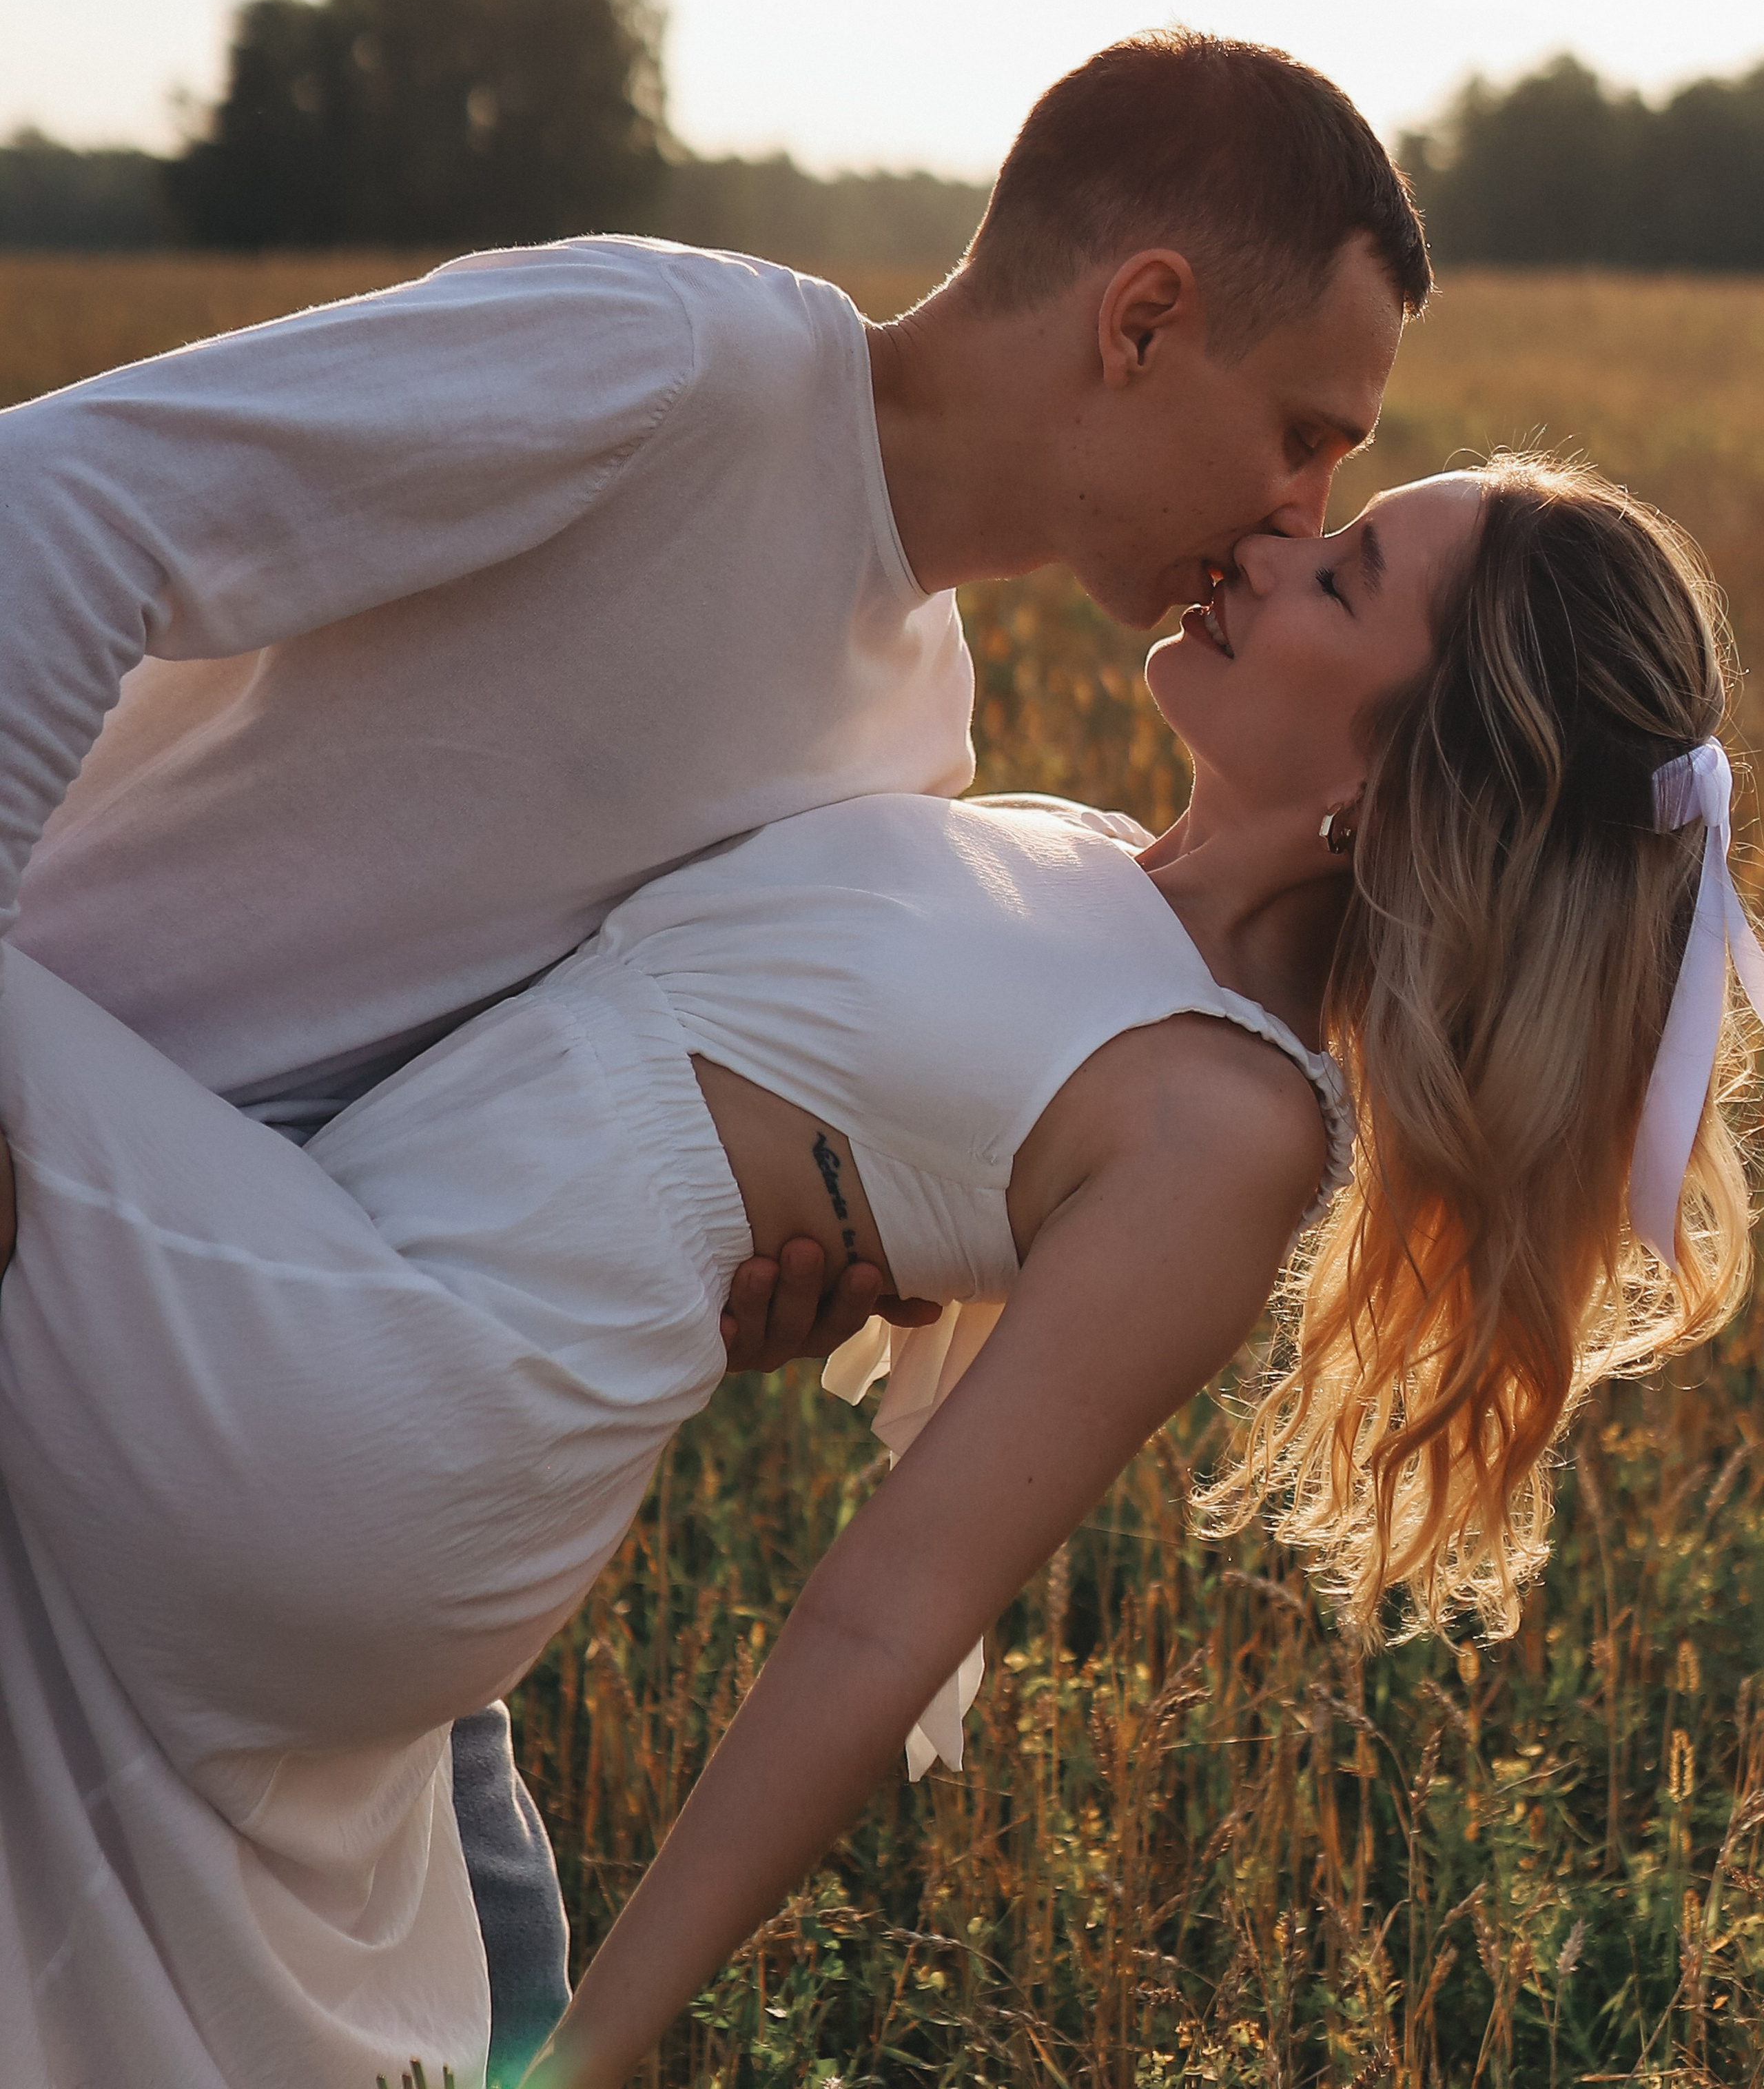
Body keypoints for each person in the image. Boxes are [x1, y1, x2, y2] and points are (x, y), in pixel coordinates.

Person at [0, 32, 1424, 2070]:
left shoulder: (916, 748)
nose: (1297, 513)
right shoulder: (680, 368)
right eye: (1306, 435)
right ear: (1142, 321)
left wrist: (761, 1274)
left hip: (311, 1309)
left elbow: (630, 1084)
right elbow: (58, 506)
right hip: (117, 1211)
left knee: (438, 1976)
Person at [0, 457, 1754, 2089]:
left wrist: (593, 2054)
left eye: (1340, 577)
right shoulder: (1075, 851)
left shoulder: (1225, 1124)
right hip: (349, 1278)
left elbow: (883, 1619)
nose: (1264, 549)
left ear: (1392, 780)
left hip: (402, 1399)